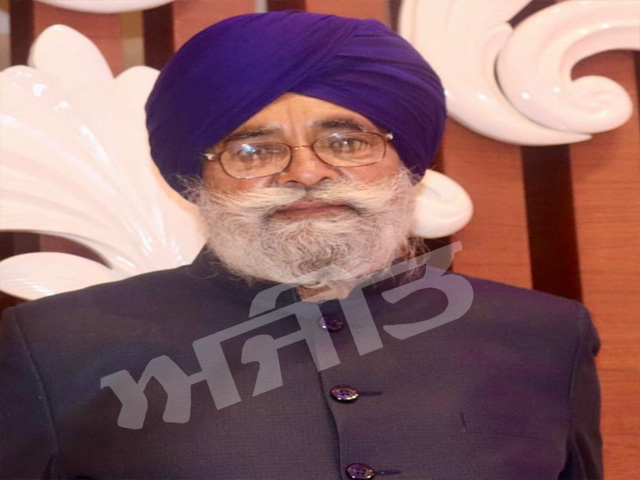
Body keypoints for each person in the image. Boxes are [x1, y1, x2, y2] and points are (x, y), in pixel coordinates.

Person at [0, 10, 601, 480]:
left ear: (405, 163)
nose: (306, 173)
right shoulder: (55, 345)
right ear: (197, 179)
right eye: (253, 151)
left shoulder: (546, 335)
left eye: (346, 142)